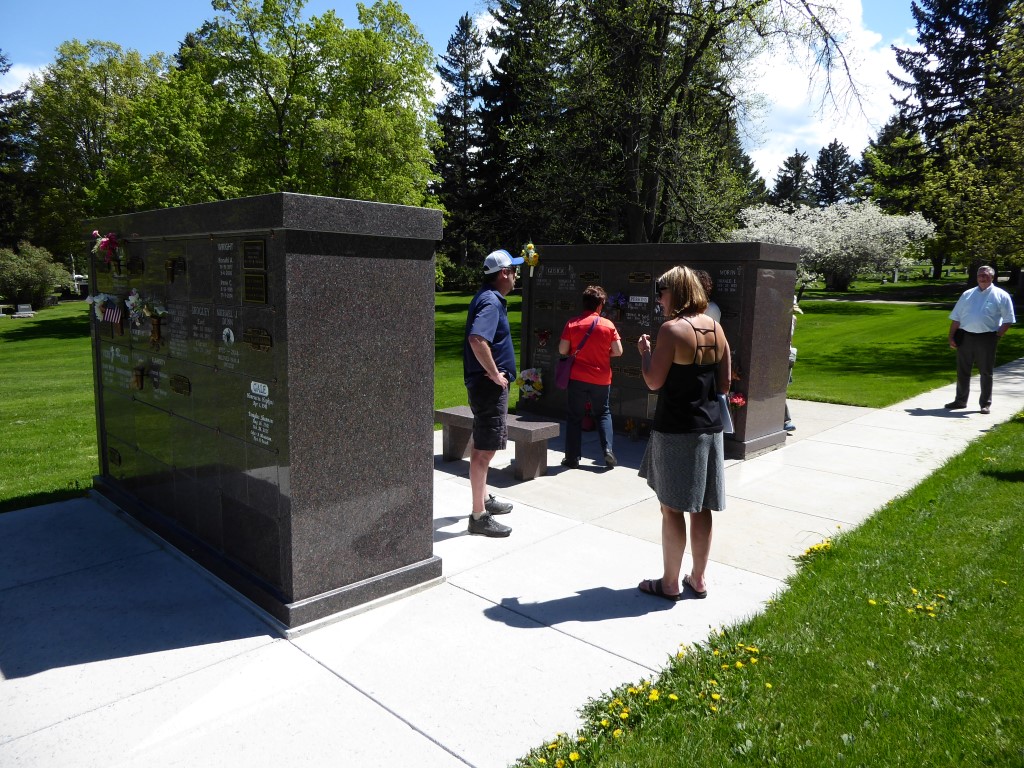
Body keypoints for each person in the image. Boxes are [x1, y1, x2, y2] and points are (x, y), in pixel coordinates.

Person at [636, 266, 731, 601]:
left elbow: (653, 381)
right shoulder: (716, 328)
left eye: (661, 293)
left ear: (675, 292)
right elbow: (725, 383)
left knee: (671, 507)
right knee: (701, 507)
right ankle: (699, 579)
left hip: (676, 429)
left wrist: (645, 354)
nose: (659, 300)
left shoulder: (672, 329)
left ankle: (670, 583)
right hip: (710, 429)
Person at [463, 249, 524, 537]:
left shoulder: (486, 297)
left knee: (483, 445)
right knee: (484, 451)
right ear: (504, 273)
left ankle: (484, 498)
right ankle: (479, 516)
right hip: (488, 388)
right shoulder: (490, 301)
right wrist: (494, 373)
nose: (516, 276)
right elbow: (477, 339)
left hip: (485, 387)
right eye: (514, 271)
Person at [558, 285, 624, 469]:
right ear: (600, 305)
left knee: (574, 417)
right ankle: (608, 450)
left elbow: (562, 349)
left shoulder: (572, 323)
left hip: (577, 377)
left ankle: (572, 458)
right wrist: (603, 353)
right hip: (601, 378)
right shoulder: (608, 325)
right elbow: (618, 351)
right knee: (603, 413)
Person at [946, 265, 1015, 414]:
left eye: (985, 275)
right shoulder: (967, 294)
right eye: (980, 275)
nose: (982, 278)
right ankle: (960, 400)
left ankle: (985, 404)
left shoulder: (1001, 295)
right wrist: (951, 336)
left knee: (986, 372)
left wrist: (997, 335)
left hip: (987, 338)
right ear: (976, 277)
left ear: (992, 277)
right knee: (963, 371)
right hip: (965, 336)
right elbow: (956, 317)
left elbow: (1008, 319)